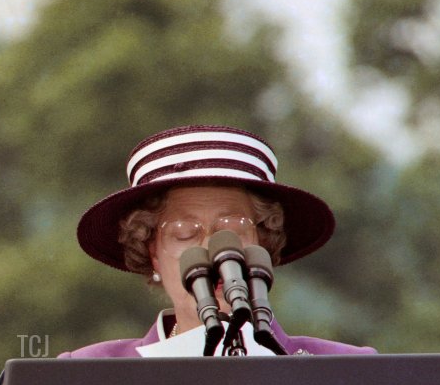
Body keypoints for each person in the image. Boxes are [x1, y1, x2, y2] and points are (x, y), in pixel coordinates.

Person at [61, 124, 374, 358]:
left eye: (234, 231)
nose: (213, 250)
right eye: (184, 232)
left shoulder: (346, 368)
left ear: (263, 245)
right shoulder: (90, 373)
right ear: (151, 252)